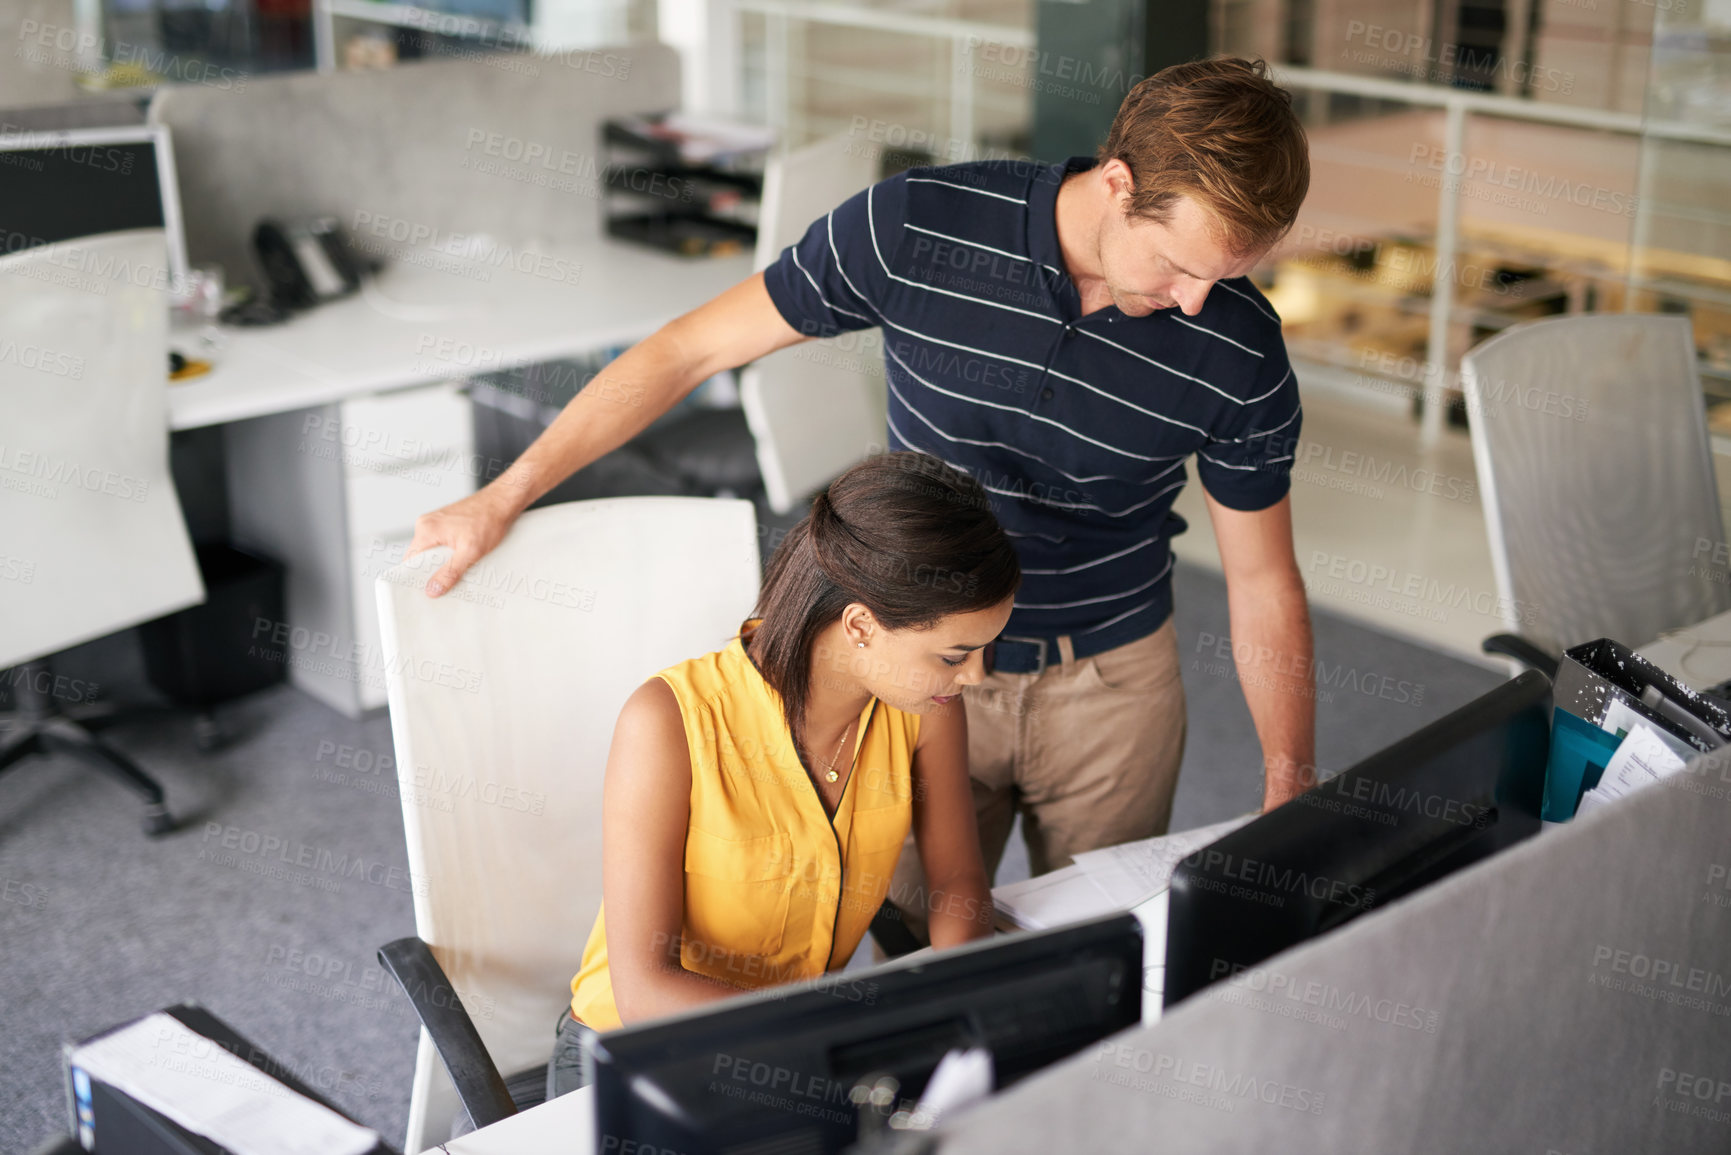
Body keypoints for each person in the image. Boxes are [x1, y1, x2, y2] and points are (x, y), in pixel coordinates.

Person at [409, 57, 1316, 927]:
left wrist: (1288, 781)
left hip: (1112, 686)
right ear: (1118, 184)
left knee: (1106, 954)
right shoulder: (920, 225)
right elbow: (689, 349)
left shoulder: (1240, 351)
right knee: (904, 946)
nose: (1196, 301)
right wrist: (508, 491)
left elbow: (1261, 580)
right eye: (1176, 264)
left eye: (1226, 277)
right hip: (915, 673)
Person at [545, 451, 1017, 1098]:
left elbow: (957, 880)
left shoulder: (926, 707)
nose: (975, 675)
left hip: (804, 1046)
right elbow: (643, 988)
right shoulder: (667, 721)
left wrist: (946, 1002)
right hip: (641, 1056)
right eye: (953, 654)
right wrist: (842, 1035)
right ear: (859, 625)